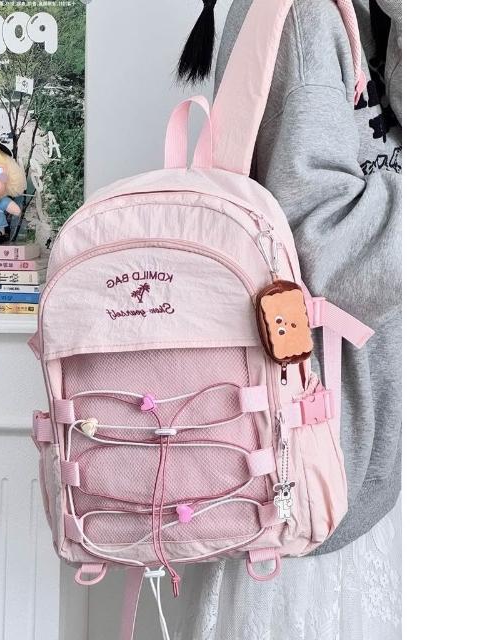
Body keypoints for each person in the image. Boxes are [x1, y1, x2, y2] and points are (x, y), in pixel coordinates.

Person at [175, 1, 402, 637]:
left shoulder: (372, 21)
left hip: (349, 468)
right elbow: (323, 252)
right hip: (322, 481)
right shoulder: (302, 17)